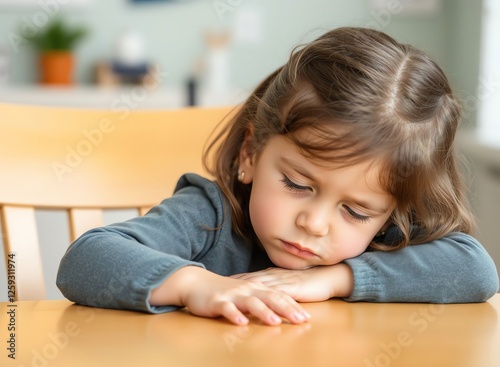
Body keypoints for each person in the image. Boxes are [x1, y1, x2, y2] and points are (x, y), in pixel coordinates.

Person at [57, 27, 499, 326]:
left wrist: (329, 280)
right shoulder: (208, 216)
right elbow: (86, 258)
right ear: (250, 152)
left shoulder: (386, 235)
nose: (315, 223)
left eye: (356, 211)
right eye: (297, 185)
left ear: (389, 213)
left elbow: (475, 270)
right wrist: (196, 285)